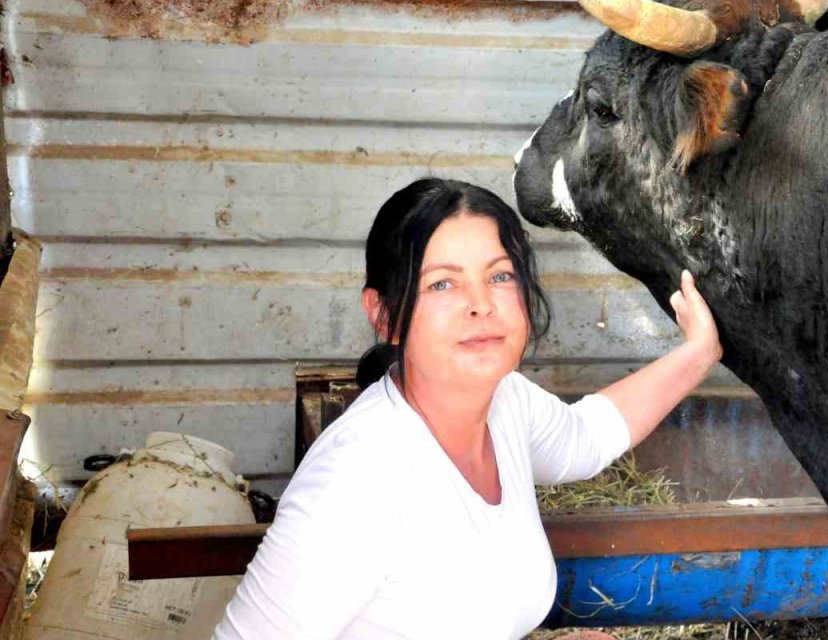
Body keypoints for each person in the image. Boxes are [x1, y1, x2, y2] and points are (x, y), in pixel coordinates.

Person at [213, 178, 722, 639]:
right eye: (443, 283)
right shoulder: (360, 477)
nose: (481, 303)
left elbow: (585, 437)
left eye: (499, 276)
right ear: (385, 315)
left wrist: (699, 352)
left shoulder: (508, 405)